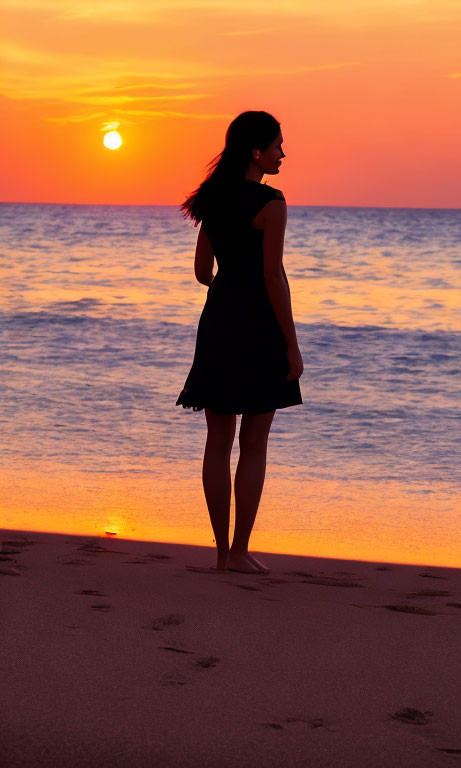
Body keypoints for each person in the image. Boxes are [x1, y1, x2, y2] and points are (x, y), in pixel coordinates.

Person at [176, 110, 303, 574]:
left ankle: (219, 554)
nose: (283, 154)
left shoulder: (212, 199)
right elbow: (273, 277)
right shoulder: (271, 202)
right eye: (277, 146)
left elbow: (201, 273)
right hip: (259, 326)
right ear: (257, 151)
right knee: (254, 443)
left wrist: (228, 292)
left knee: (217, 441)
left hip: (219, 322)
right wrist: (292, 345)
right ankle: (240, 552)